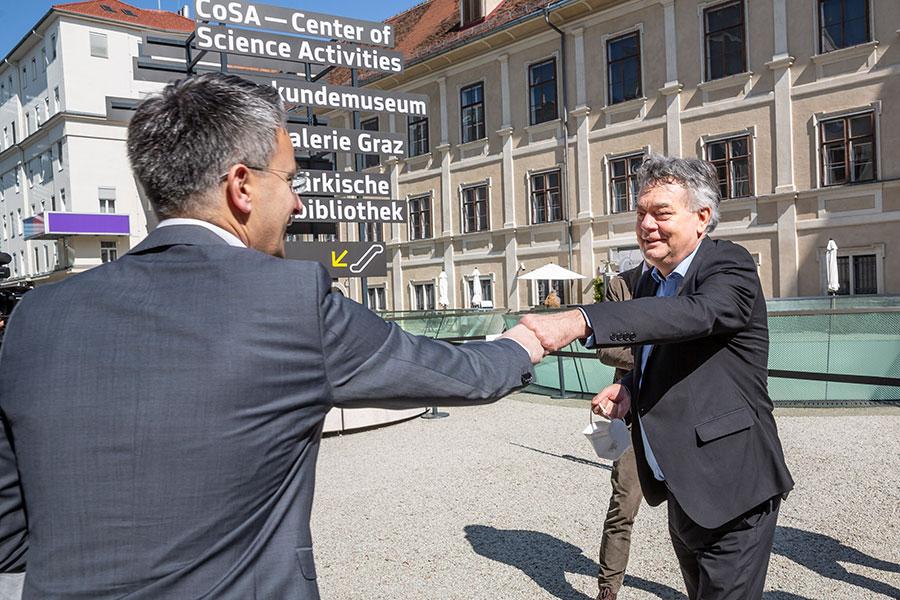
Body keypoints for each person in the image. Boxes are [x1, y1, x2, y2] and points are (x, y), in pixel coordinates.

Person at [0, 73, 543, 600]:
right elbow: (466, 375)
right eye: (290, 181)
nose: (298, 204)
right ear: (242, 186)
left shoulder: (36, 314)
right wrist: (542, 332)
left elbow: (7, 536)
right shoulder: (288, 300)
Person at [521, 154, 793, 600]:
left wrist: (581, 320)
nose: (647, 225)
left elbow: (695, 315)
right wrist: (628, 389)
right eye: (641, 213)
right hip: (681, 487)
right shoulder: (651, 280)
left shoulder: (730, 265)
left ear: (702, 217)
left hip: (732, 486)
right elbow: (660, 348)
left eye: (662, 213)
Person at [594, 263, 644, 600]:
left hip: (681, 409)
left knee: (691, 506)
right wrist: (662, 353)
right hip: (630, 408)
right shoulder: (622, 285)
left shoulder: (691, 278)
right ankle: (609, 587)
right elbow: (606, 347)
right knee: (623, 503)